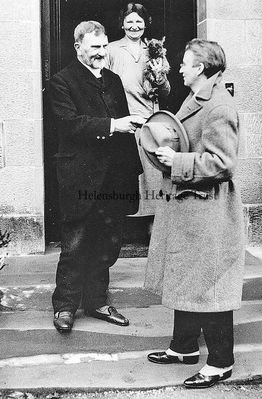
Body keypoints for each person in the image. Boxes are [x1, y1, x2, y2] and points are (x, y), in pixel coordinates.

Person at [144, 39, 245, 388]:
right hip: (190, 207)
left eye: (185, 63)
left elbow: (224, 163)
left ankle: (220, 362)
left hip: (208, 211)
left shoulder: (219, 106)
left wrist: (179, 161)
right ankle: (184, 347)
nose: (179, 68)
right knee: (186, 277)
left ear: (201, 68)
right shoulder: (197, 98)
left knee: (209, 286)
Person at [49, 21, 144, 333]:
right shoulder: (62, 82)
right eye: (95, 48)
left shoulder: (114, 81)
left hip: (113, 178)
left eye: (104, 46)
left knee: (107, 242)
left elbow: (126, 131)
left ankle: (98, 302)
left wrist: (133, 174)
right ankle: (65, 305)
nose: (102, 52)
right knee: (75, 243)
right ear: (79, 47)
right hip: (80, 178)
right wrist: (114, 125)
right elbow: (69, 125)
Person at [107, 2, 170, 215]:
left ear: (146, 24)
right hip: (123, 122)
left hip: (149, 122)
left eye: (139, 21)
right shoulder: (111, 49)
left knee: (152, 179)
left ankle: (152, 234)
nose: (134, 26)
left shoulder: (154, 49)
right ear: (122, 25)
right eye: (130, 21)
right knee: (125, 180)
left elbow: (166, 93)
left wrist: (160, 78)